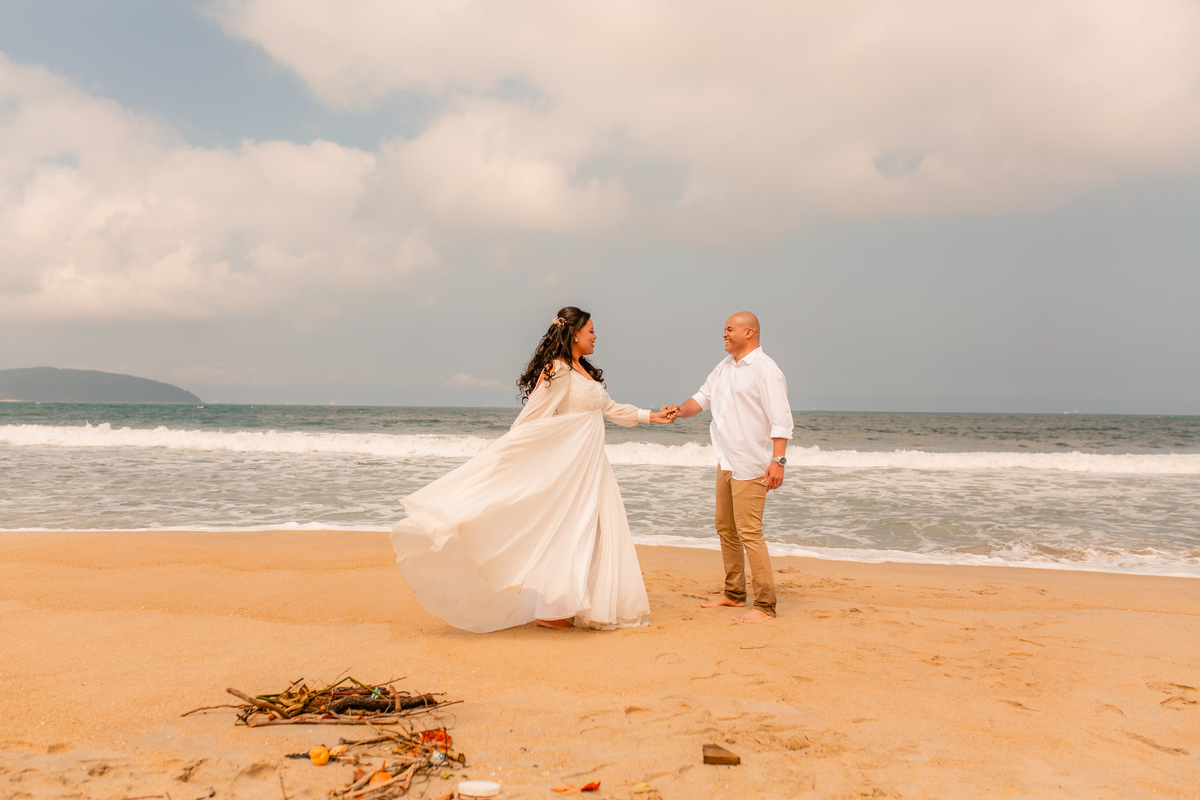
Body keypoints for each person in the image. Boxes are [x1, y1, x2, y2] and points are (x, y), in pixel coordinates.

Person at [390, 306, 675, 632]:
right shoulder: (559, 370)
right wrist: (510, 457)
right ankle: (553, 612)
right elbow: (530, 419)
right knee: (573, 530)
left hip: (592, 467)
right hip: (569, 468)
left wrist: (653, 416)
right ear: (574, 334)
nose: (596, 336)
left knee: (594, 532)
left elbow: (610, 409)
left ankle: (565, 606)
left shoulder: (583, 371)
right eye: (591, 330)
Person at [663, 312, 793, 623]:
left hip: (752, 464)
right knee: (725, 527)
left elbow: (781, 420)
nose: (724, 335)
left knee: (749, 532)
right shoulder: (723, 368)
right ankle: (734, 594)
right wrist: (680, 410)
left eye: (729, 329)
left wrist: (778, 460)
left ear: (749, 332)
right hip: (726, 460)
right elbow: (701, 398)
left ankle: (765, 606)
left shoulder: (766, 371)